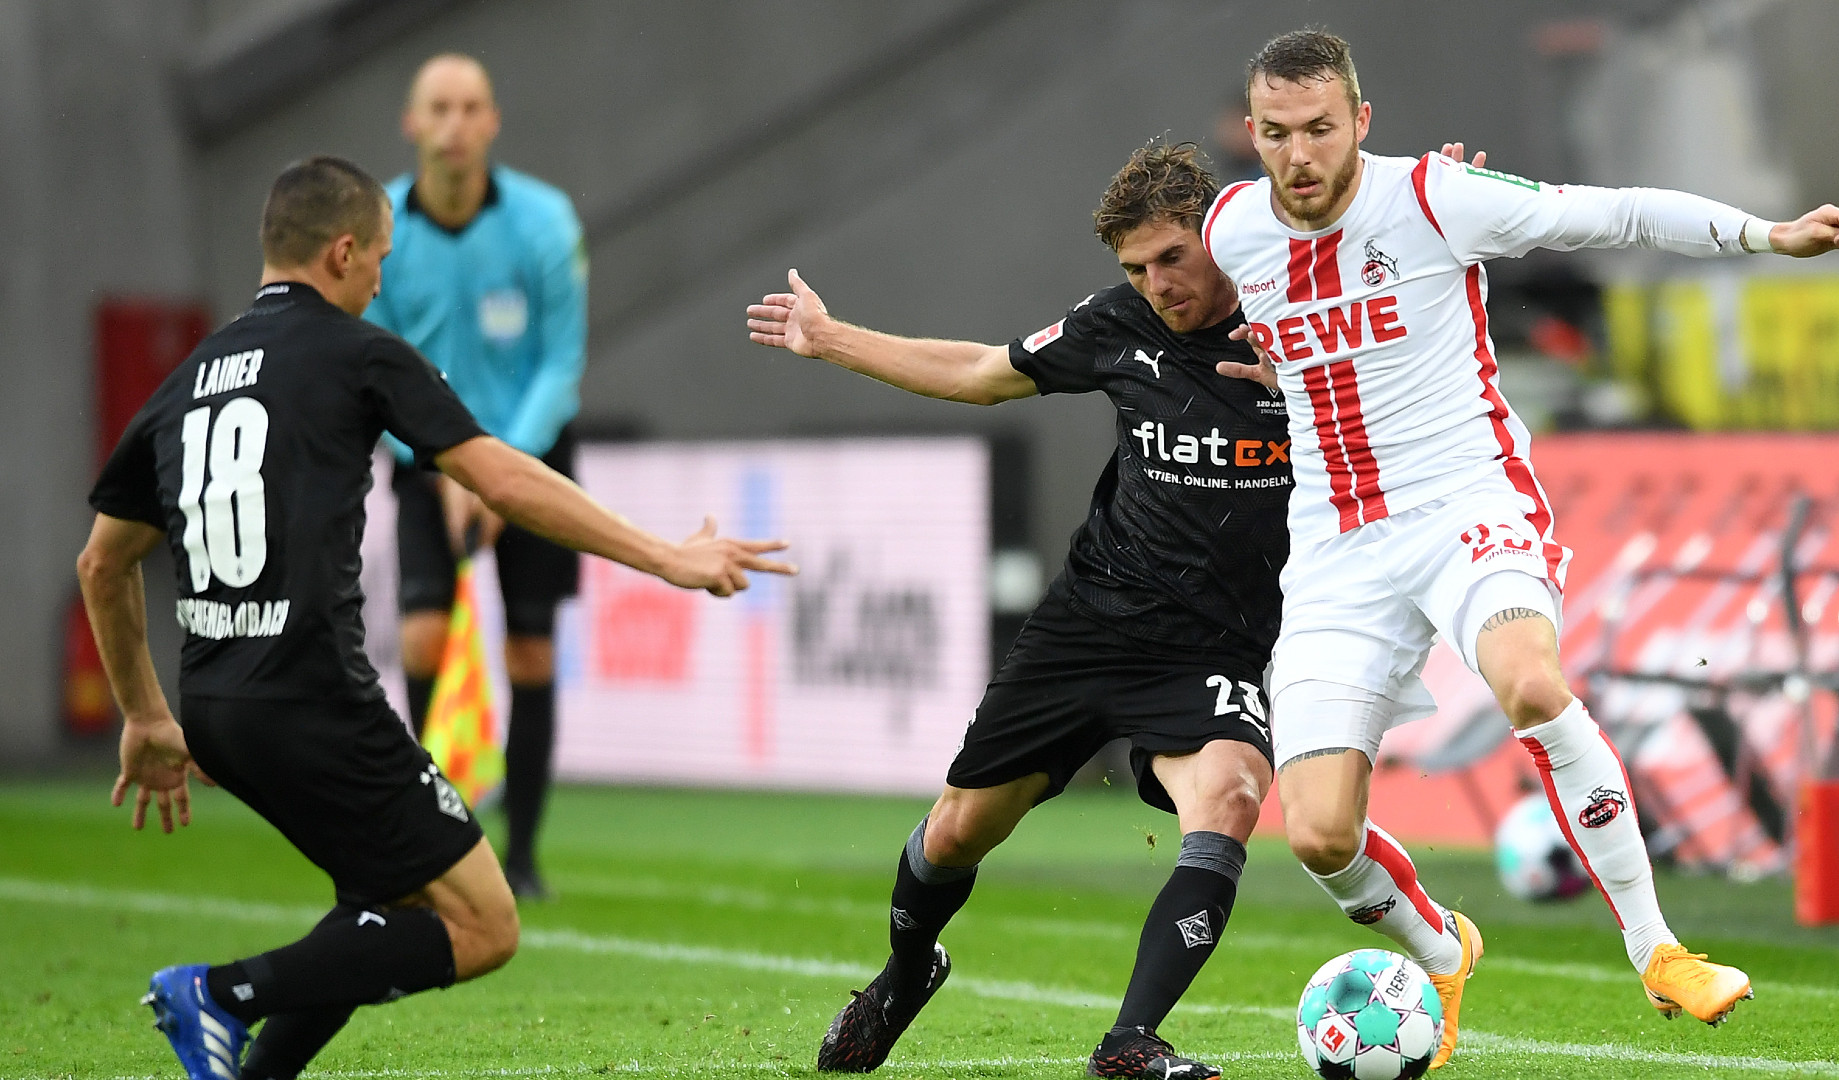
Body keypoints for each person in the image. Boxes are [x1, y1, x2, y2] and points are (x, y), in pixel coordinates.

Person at [1203, 29, 1839, 1069]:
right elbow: (1235, 325)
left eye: (1322, 129)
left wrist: (1767, 235)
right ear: (1253, 134)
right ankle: (1440, 949)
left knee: (1527, 681)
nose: (1302, 155)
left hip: (1468, 505)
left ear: (1361, 123)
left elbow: (1618, 213)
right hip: (1335, 545)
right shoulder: (1231, 227)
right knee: (1322, 836)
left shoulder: (1433, 197)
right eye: (1280, 134)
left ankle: (1659, 950)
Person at [81, 155, 793, 1080]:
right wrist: (665, 556)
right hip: (312, 697)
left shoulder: (186, 382)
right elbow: (500, 476)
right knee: (484, 924)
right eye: (379, 256)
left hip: (212, 707)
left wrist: (142, 715)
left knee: (382, 901)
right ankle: (218, 994)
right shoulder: (358, 352)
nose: (383, 277)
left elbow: (103, 563)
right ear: (341, 253)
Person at [748, 141, 1288, 1080]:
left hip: (1215, 642)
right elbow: (977, 370)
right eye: (1135, 267)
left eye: (1172, 257)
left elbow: (1422, 383)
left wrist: (1317, 388)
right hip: (1088, 624)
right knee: (958, 830)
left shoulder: (1305, 327)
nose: (1157, 284)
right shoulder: (1118, 326)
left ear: (1219, 231)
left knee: (1232, 796)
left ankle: (1128, 1045)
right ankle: (906, 974)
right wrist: (830, 338)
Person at [362, 54, 586, 899]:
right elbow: (371, 369)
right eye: (438, 109)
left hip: (531, 455)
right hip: (426, 463)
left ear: (493, 122)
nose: (454, 125)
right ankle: (439, 846)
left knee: (529, 650)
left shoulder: (545, 223)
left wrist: (502, 470)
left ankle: (521, 855)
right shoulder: (379, 230)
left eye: (471, 108)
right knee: (422, 640)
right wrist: (441, 459)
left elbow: (561, 364)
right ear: (411, 123)